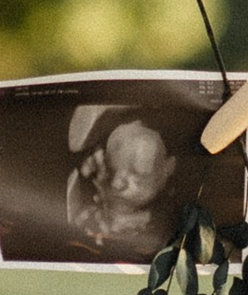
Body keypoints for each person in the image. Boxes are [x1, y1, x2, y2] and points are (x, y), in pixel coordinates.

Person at [65, 107, 179, 260]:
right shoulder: (86, 215)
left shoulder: (165, 226)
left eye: (137, 174)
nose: (116, 183)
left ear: (168, 169)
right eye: (110, 168)